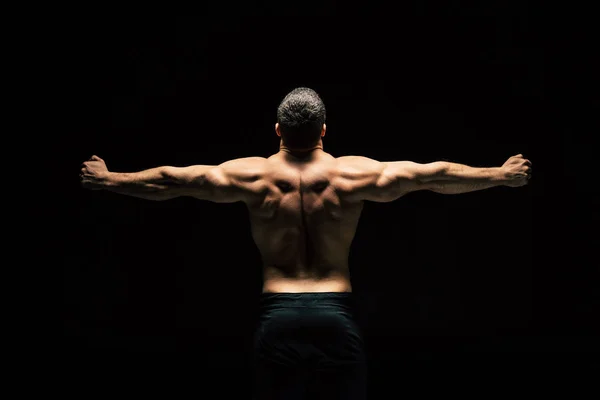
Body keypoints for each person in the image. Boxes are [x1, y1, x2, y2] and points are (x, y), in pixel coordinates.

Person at [80, 87, 532, 399]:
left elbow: (171, 181)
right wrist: (498, 175)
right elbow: (434, 175)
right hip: (337, 314)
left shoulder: (250, 175)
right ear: (324, 130)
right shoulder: (353, 174)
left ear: (277, 130)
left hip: (276, 315)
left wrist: (110, 180)